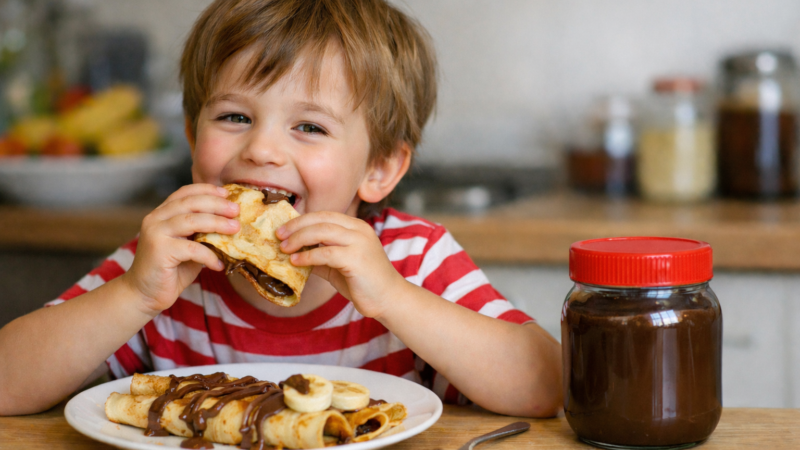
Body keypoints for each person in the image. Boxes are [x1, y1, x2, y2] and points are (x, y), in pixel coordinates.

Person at [0, 0, 561, 418]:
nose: (262, 150)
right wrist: (133, 295)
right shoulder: (165, 265)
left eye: (310, 127)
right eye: (234, 118)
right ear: (194, 140)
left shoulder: (412, 258)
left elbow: (546, 385)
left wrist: (391, 297)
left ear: (379, 168)